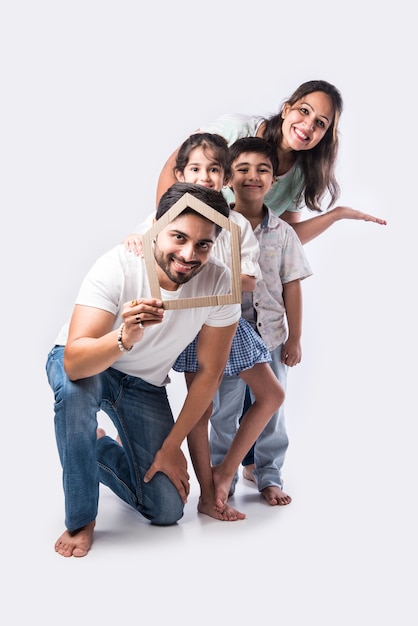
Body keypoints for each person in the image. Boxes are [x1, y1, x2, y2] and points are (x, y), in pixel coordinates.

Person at [47, 182, 262, 558]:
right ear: (156, 227)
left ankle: (95, 448)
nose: (188, 254)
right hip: (90, 361)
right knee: (75, 396)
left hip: (143, 383)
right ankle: (81, 520)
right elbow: (74, 362)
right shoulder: (117, 265)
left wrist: (171, 446)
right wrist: (124, 337)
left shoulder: (219, 282)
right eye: (178, 237)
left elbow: (209, 374)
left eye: (203, 244)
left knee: (166, 510)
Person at [124, 133, 285, 519]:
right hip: (188, 324)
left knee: (272, 395)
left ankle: (225, 471)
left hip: (226, 319)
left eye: (214, 169)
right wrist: (134, 237)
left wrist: (215, 272)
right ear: (181, 173)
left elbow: (250, 279)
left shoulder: (234, 225)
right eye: (196, 168)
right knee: (203, 407)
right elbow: (143, 249)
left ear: (226, 178)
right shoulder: (165, 215)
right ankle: (208, 494)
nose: (205, 176)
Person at [156, 79, 387, 244]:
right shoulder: (236, 129)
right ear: (286, 109)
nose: (308, 125)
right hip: (185, 240)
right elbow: (175, 167)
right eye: (304, 111)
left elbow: (283, 236)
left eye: (320, 123)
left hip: (230, 259)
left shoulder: (300, 175)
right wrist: (161, 228)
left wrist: (334, 215)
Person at [209, 136, 313, 506]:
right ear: (227, 179)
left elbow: (293, 287)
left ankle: (269, 476)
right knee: (224, 410)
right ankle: (222, 478)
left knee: (272, 411)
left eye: (263, 170)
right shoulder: (217, 228)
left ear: (273, 181)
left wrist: (295, 337)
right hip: (227, 337)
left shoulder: (283, 233)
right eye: (243, 169)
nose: (253, 176)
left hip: (269, 337)